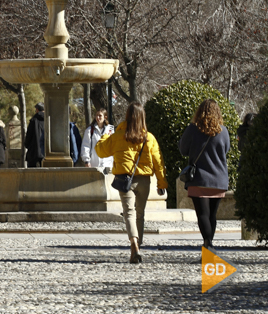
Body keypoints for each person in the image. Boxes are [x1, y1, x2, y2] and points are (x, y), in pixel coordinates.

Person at [96, 102, 168, 264]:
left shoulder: (117, 136)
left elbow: (100, 151)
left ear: (127, 116)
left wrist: (105, 135)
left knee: (128, 212)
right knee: (140, 214)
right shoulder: (149, 138)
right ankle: (138, 247)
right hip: (144, 180)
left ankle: (133, 243)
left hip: (124, 179)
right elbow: (158, 162)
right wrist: (162, 184)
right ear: (142, 117)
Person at [179, 99, 230, 250]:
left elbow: (183, 150)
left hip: (199, 178)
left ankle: (208, 242)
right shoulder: (224, 131)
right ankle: (209, 245)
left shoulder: (193, 129)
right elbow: (226, 151)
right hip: (219, 179)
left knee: (202, 214)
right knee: (212, 215)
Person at [25, 103, 45, 167]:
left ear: (37, 109)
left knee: (31, 172)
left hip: (33, 150)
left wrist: (26, 144)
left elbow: (29, 135)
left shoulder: (33, 120)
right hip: (45, 151)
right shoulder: (49, 120)